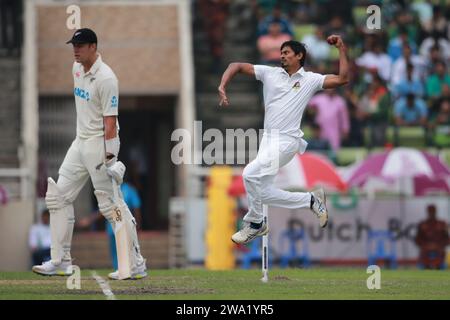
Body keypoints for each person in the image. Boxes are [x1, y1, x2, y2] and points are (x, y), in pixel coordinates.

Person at [31, 28, 146, 280]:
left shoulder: (106, 79)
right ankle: (60, 261)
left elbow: (110, 123)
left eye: (81, 45)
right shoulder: (76, 69)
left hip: (98, 145)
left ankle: (134, 262)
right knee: (58, 197)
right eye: (74, 44)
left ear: (93, 46)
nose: (76, 49)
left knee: (111, 206)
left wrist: (111, 157)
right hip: (80, 142)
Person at [218, 35, 350, 244]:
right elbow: (236, 65)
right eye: (281, 52)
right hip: (268, 141)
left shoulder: (310, 80)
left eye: (287, 52)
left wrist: (341, 48)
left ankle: (255, 223)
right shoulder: (270, 73)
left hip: (288, 141)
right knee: (264, 192)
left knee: (250, 174)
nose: (282, 56)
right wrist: (223, 85)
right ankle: (310, 200)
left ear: (299, 56)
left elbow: (343, 79)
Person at [415, 204, 449, 269]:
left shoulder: (442, 224)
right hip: (426, 248)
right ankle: (425, 266)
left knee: (440, 254)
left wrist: (438, 245)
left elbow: (447, 239)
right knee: (424, 254)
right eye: (430, 211)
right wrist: (426, 245)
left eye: (433, 211)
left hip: (439, 248)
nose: (431, 213)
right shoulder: (422, 224)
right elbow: (418, 239)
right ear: (427, 212)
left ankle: (439, 266)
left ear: (435, 211)